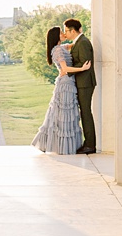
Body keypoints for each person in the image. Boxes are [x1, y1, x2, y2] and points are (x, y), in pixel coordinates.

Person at [32, 23, 84, 155]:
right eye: (62, 32)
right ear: (57, 36)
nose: (64, 34)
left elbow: (74, 43)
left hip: (68, 83)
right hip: (65, 84)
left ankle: (63, 145)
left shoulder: (61, 47)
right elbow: (65, 69)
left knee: (63, 114)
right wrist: (82, 68)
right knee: (63, 114)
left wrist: (79, 33)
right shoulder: (58, 50)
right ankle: (62, 146)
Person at [65, 18, 98, 154]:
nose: (66, 34)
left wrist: (68, 69)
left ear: (73, 30)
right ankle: (88, 143)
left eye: (67, 31)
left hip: (85, 83)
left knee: (85, 113)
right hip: (81, 82)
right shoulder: (78, 42)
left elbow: (85, 63)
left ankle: (90, 145)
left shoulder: (83, 42)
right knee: (84, 112)